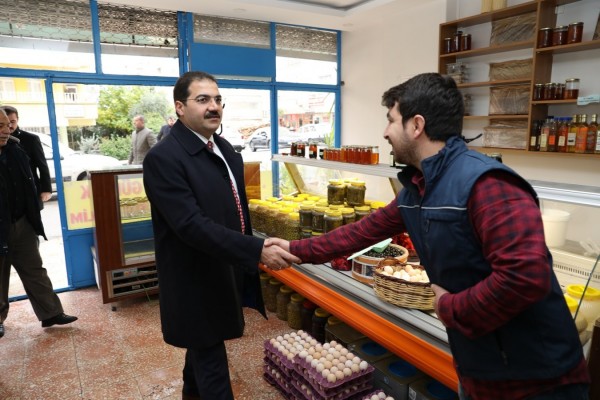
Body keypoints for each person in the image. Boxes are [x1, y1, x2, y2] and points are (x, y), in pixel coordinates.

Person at [266, 73, 590, 400]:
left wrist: (449, 307)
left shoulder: (487, 184)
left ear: (416, 125)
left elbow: (524, 277)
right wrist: (295, 248)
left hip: (537, 380)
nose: (385, 132)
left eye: (391, 120)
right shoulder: (417, 189)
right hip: (481, 368)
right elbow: (361, 232)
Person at [142, 71, 300, 400]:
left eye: (217, 99)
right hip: (193, 279)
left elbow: (232, 209)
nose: (213, 106)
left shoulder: (224, 148)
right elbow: (191, 225)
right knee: (211, 362)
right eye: (202, 100)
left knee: (200, 351)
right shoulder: (164, 158)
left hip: (222, 267)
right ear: (180, 107)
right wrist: (255, 249)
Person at [0, 109, 77, 339]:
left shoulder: (16, 149)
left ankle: (51, 313)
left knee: (35, 269)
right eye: (0, 126)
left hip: (22, 222)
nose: (6, 130)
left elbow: (29, 182)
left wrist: (33, 214)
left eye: (8, 125)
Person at [1, 105, 52, 208]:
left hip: (29, 191)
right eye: (5, 123)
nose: (9, 126)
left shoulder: (31, 139)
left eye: (12, 122)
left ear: (18, 119)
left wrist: (46, 189)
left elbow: (42, 165)